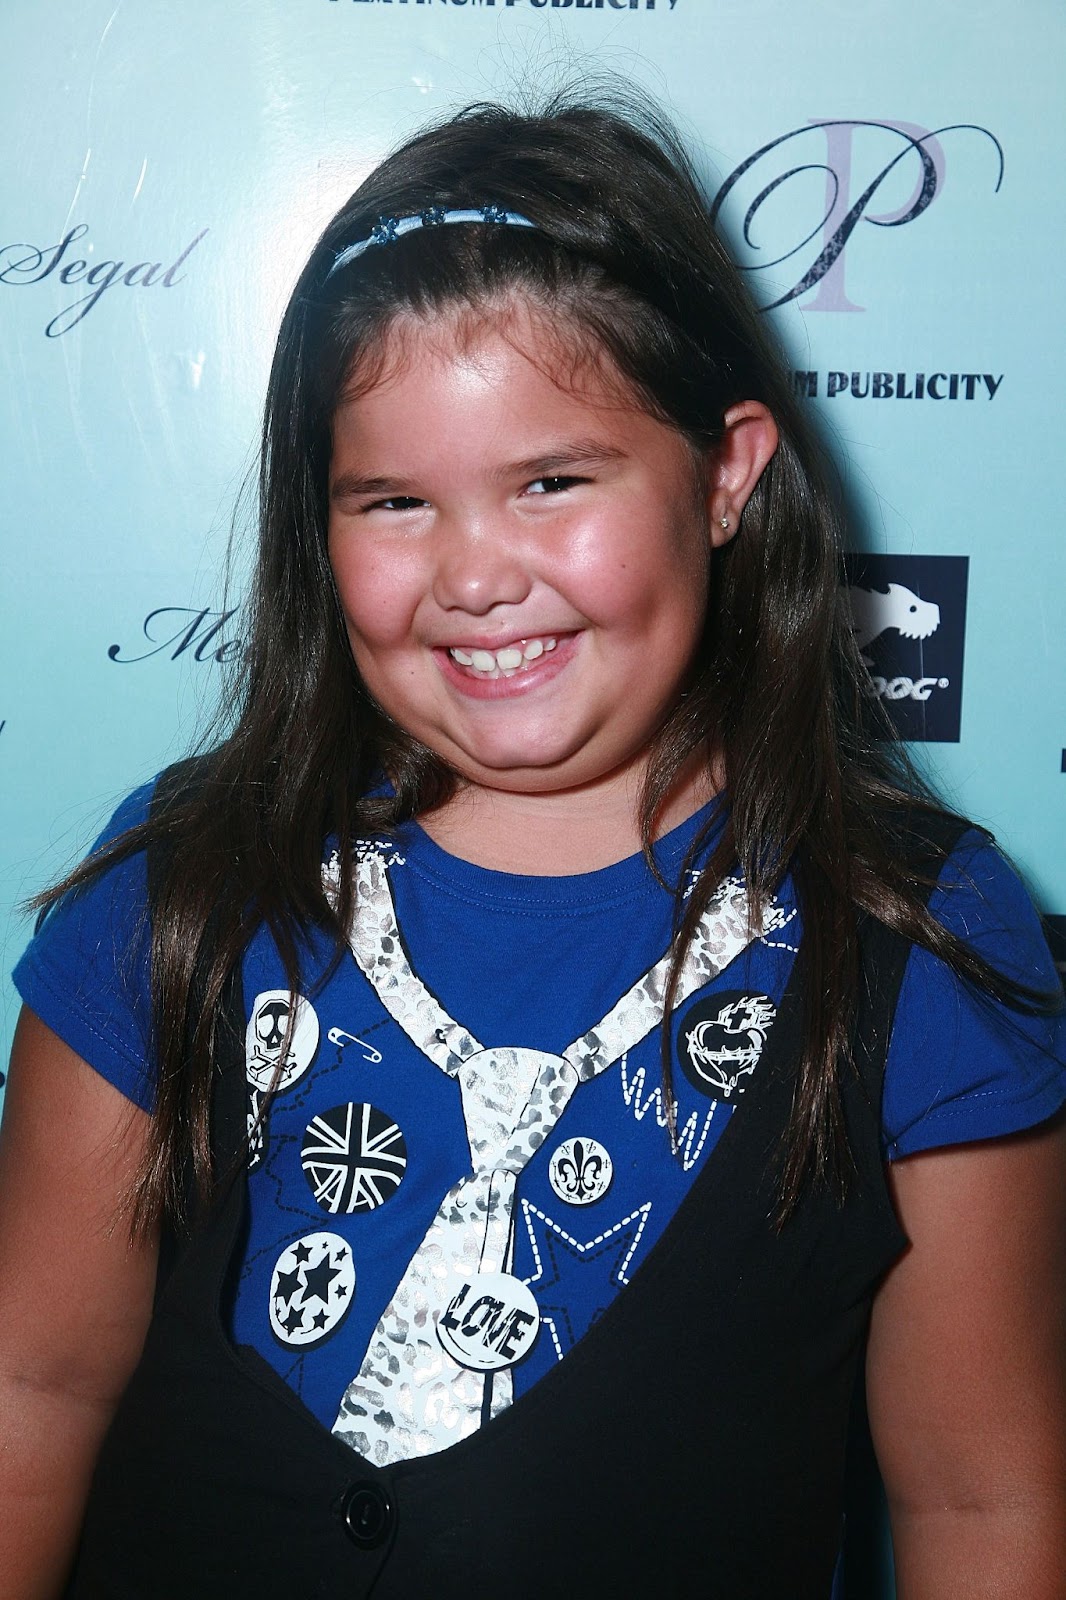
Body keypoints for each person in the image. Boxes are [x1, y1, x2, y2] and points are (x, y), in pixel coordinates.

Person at [1, 95, 1064, 1600]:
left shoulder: (918, 932)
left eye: (552, 482)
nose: (476, 576)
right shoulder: (183, 885)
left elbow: (979, 1504)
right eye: (392, 501)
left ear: (723, 475)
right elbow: (30, 1386)